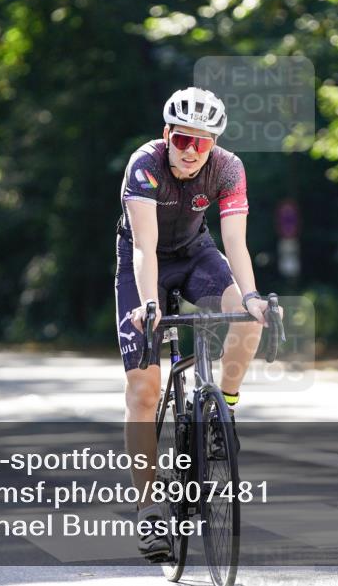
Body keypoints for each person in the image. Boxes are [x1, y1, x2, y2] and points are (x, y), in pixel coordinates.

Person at [114, 87, 268, 561]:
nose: (190, 151)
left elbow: (235, 244)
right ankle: (148, 510)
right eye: (182, 139)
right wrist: (149, 304)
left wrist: (251, 297)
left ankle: (225, 408)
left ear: (213, 144)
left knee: (250, 319)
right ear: (167, 135)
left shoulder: (229, 168)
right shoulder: (144, 165)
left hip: (197, 255)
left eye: (201, 143)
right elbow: (144, 248)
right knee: (144, 391)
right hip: (144, 264)